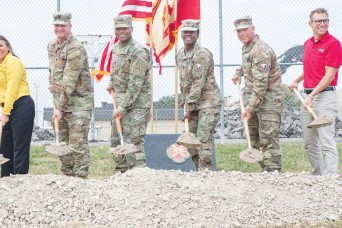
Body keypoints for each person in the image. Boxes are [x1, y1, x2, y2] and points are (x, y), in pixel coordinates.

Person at [289, 8, 342, 176]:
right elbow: (311, 69)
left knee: (326, 141)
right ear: (310, 24)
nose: (322, 24)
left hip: (325, 97)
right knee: (310, 143)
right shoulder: (307, 44)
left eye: (325, 20)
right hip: (308, 96)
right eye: (318, 21)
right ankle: (318, 179)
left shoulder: (333, 44)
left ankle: (331, 180)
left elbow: (329, 74)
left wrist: (312, 96)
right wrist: (297, 80)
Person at [231, 16, 283, 172]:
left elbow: (261, 85)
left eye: (245, 29)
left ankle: (273, 176)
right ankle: (265, 174)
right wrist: (239, 72)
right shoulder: (248, 48)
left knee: (268, 142)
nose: (242, 34)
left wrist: (249, 108)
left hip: (268, 103)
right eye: (238, 31)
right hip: (255, 102)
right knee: (255, 142)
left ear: (253, 28)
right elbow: (248, 64)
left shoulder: (260, 50)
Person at [47, 12, 93, 178]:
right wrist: (51, 86)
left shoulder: (75, 48)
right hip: (60, 102)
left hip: (78, 104)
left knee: (77, 145)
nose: (59, 28)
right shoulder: (52, 45)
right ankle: (68, 180)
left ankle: (80, 181)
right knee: (63, 144)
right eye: (56, 25)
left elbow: (69, 81)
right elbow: (52, 70)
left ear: (70, 27)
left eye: (63, 25)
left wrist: (59, 107)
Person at [107, 15, 152, 173]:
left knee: (133, 143)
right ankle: (121, 174)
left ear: (131, 29)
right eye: (118, 29)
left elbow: (135, 84)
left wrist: (122, 107)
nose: (121, 31)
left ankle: (137, 176)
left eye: (125, 28)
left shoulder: (139, 51)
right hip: (120, 104)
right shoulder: (116, 48)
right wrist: (111, 82)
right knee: (116, 141)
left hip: (137, 106)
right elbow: (115, 71)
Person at [176, 20, 223, 171]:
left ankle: (206, 172)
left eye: (192, 32)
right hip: (192, 103)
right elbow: (184, 81)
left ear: (197, 34)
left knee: (202, 139)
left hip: (208, 102)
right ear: (181, 34)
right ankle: (199, 171)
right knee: (191, 142)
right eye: (185, 32)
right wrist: (185, 101)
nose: (188, 34)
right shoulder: (179, 55)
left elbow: (198, 82)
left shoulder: (202, 54)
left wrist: (189, 108)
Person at [0, 35, 35, 177]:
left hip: (21, 105)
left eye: (1, 45)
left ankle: (20, 180)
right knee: (4, 147)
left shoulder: (13, 62)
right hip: (7, 107)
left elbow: (12, 89)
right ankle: (6, 179)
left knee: (19, 146)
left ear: (7, 47)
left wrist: (6, 112)